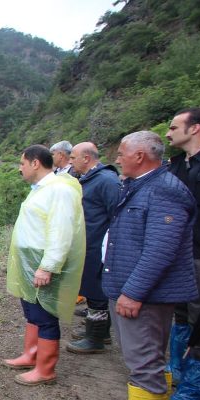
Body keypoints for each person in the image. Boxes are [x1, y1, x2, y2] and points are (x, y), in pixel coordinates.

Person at [96, 131, 198, 400]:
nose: (117, 158)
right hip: (132, 287)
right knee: (145, 354)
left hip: (145, 294)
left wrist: (134, 292)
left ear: (140, 156)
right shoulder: (142, 185)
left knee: (144, 358)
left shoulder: (164, 190)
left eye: (122, 153)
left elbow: (161, 250)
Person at [4, 145, 85, 386]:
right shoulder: (42, 188)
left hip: (42, 263)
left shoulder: (59, 190)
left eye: (22, 163)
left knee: (45, 315)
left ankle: (45, 369)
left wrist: (47, 266)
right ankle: (31, 355)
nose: (20, 168)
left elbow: (61, 231)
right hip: (30, 262)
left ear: (35, 163)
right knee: (32, 310)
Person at [165, 107, 200, 400]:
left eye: (174, 126)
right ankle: (175, 373)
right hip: (180, 252)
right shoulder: (178, 165)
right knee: (180, 312)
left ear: (196, 129)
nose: (168, 132)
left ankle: (195, 394)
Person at [66, 142, 121, 354]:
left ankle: (96, 338)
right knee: (90, 288)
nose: (71, 162)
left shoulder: (106, 180)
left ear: (86, 158)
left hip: (99, 247)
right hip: (89, 245)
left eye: (73, 158)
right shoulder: (91, 179)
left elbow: (116, 216)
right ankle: (97, 330)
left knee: (98, 291)